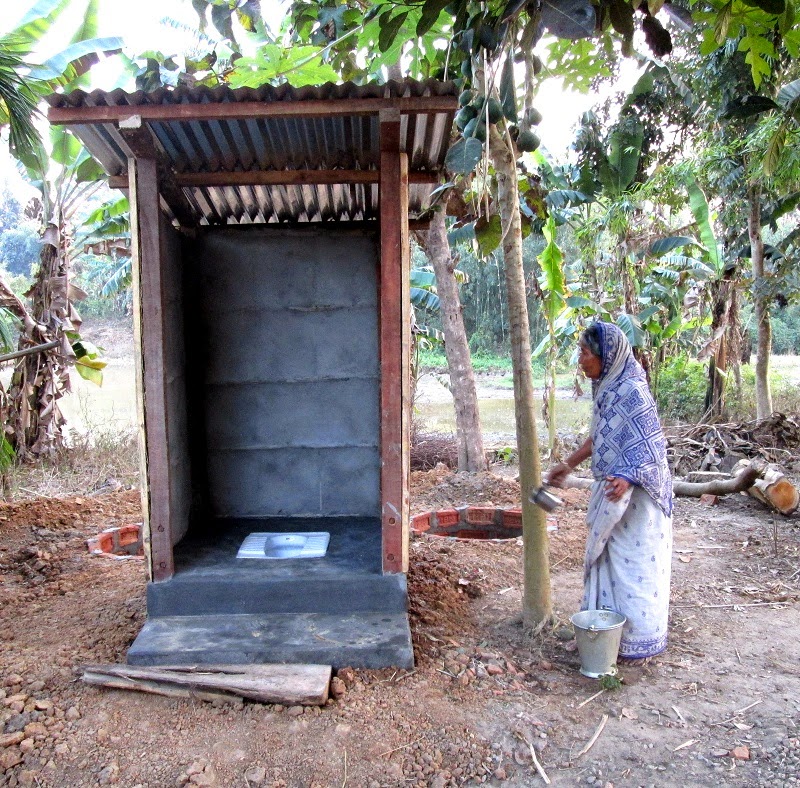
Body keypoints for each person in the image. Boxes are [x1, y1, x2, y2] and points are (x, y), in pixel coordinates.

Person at [547, 321, 673, 662]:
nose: (580, 360)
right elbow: (598, 438)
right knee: (609, 561)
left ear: (608, 355)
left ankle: (639, 640)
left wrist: (629, 477)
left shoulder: (632, 390)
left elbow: (651, 448)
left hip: (640, 501)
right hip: (612, 490)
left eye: (585, 353)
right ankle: (604, 637)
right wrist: (568, 465)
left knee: (635, 568)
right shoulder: (605, 387)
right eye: (580, 352)